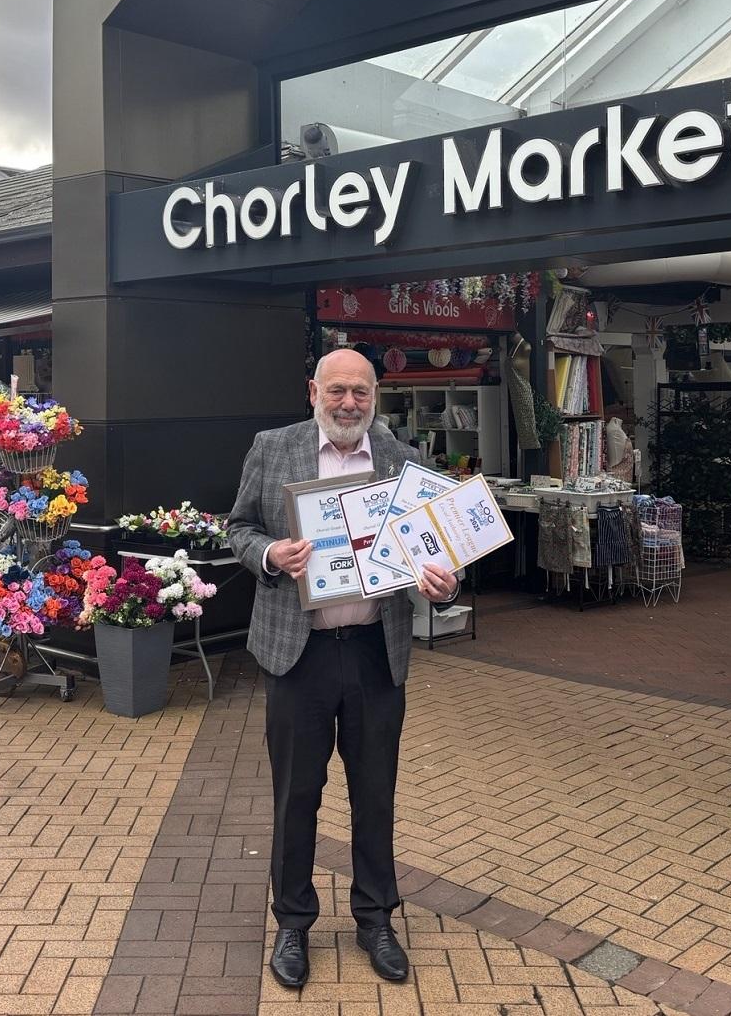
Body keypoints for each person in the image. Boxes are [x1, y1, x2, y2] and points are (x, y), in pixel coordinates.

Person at [226, 348, 460, 990]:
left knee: (375, 791)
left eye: (361, 391)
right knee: (295, 794)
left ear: (376, 395)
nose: (349, 403)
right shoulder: (273, 449)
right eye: (338, 391)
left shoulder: (401, 461)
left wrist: (442, 583)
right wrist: (271, 552)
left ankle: (375, 918)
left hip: (374, 651)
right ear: (314, 391)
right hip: (297, 654)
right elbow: (237, 527)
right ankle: (293, 923)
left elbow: (434, 552)